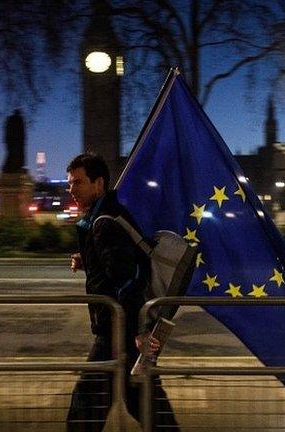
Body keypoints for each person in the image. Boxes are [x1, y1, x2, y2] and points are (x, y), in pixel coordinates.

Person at [65, 153, 178, 431]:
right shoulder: (108, 216)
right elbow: (122, 262)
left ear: (98, 183)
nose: (72, 190)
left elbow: (127, 281)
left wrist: (138, 331)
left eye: (78, 183)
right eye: (70, 184)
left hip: (117, 332)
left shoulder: (104, 223)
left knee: (85, 409)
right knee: (147, 406)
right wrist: (88, 259)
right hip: (121, 331)